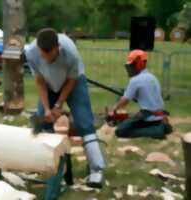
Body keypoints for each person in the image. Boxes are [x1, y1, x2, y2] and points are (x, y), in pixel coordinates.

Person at [25, 28, 106, 188]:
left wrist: (59, 104)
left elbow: (71, 81)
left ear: (58, 47)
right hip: (48, 83)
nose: (47, 60)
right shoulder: (31, 52)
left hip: (73, 82)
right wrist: (48, 108)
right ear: (39, 49)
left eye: (51, 56)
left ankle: (97, 169)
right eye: (43, 55)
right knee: (43, 123)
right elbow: (39, 80)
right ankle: (47, 165)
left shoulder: (70, 52)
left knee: (84, 122)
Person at [112, 49, 172, 139]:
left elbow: (124, 102)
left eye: (131, 65)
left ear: (139, 64)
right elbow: (154, 95)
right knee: (136, 119)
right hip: (160, 114)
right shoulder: (153, 77)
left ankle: (156, 131)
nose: (129, 68)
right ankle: (163, 126)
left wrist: (114, 109)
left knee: (121, 131)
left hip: (148, 116)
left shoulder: (135, 80)